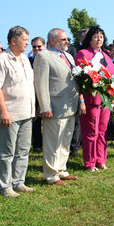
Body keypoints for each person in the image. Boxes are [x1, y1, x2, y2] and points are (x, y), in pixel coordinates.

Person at [0, 26, 36, 197]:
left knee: (23, 150)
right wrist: (3, 112)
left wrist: (33, 107)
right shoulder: (2, 59)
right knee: (7, 152)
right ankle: (4, 186)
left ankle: (19, 182)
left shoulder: (24, 58)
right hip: (10, 114)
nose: (26, 43)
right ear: (13, 40)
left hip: (27, 112)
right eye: (24, 39)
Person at [34, 28, 84, 185]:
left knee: (65, 140)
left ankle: (61, 169)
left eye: (67, 39)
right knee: (53, 142)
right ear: (52, 41)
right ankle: (51, 174)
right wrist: (45, 107)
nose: (67, 41)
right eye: (63, 39)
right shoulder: (43, 56)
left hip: (70, 105)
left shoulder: (68, 56)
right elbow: (41, 83)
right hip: (54, 106)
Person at [74, 26, 113, 170]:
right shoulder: (82, 54)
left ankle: (101, 160)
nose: (99, 39)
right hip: (90, 99)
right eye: (96, 37)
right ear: (89, 39)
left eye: (101, 37)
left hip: (105, 100)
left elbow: (113, 78)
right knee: (91, 131)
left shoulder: (107, 57)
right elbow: (79, 78)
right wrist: (81, 100)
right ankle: (90, 162)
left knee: (102, 131)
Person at [28, 36, 46, 152]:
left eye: (39, 46)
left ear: (44, 46)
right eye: (34, 46)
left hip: (47, 93)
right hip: (33, 93)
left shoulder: (49, 59)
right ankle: (37, 145)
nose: (37, 48)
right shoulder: (28, 60)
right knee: (35, 120)